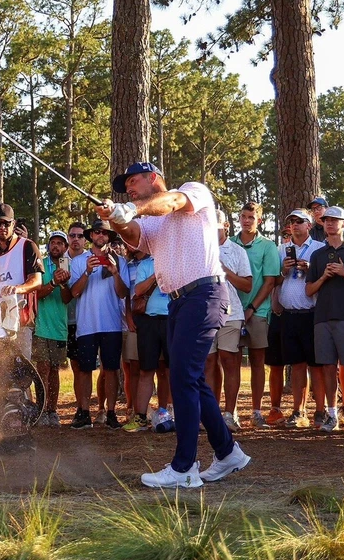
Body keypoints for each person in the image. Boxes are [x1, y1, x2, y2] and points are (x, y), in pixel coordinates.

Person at [102, 162, 250, 488]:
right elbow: (134, 236)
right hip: (178, 302)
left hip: (203, 294)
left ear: (153, 178)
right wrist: (116, 217)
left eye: (133, 181)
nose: (128, 187)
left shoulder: (191, 191)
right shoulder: (153, 223)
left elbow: (171, 202)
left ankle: (184, 467)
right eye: (125, 185)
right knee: (191, 379)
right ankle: (228, 453)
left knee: (183, 377)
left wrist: (130, 208)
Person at [305, 206, 344, 433]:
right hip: (322, 317)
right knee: (327, 367)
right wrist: (323, 276)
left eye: (334, 220)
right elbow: (308, 291)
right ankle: (331, 415)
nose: (329, 224)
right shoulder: (317, 255)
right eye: (326, 220)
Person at [68, 219, 128, 429]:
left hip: (111, 324)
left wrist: (114, 272)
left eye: (104, 233)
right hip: (87, 324)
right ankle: (84, 412)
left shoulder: (119, 261)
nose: (100, 236)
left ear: (109, 237)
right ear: (90, 236)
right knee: (84, 370)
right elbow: (74, 292)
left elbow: (123, 293)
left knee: (111, 369)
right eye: (96, 232)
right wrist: (87, 271)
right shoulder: (78, 261)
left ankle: (111, 413)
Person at [274, 209, 326, 428]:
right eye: (291, 222)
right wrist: (283, 271)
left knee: (317, 366)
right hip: (289, 315)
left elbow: (327, 278)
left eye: (299, 221)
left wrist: (311, 269)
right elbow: (274, 281)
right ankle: (298, 411)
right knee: (296, 365)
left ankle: (321, 411)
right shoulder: (281, 250)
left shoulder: (319, 249)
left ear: (309, 225)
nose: (295, 225)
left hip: (312, 314)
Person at [231, 202, 280, 428]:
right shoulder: (229, 243)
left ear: (259, 220)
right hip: (231, 311)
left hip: (258, 311)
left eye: (251, 217)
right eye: (243, 216)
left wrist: (252, 308)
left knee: (258, 362)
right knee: (231, 362)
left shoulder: (267, 246)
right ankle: (230, 412)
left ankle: (257, 411)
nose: (246, 220)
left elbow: (270, 281)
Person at [0, 203, 44, 364]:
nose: (3, 227)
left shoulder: (27, 246)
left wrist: (17, 289)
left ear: (13, 224)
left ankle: (23, 390)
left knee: (21, 376)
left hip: (21, 320)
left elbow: (37, 281)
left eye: (7, 223)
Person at [206, 210, 252, 431]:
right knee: (208, 363)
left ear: (225, 225)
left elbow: (247, 285)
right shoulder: (199, 249)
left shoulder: (237, 251)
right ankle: (211, 413)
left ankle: (229, 414)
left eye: (215, 225)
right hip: (205, 314)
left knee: (229, 361)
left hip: (231, 313)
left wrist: (225, 271)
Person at [122, 245, 175, 433]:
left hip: (171, 320)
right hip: (148, 321)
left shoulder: (176, 262)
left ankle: (169, 413)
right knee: (146, 370)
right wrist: (155, 275)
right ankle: (141, 417)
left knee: (170, 370)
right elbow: (137, 291)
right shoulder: (145, 265)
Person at [32, 231, 72, 427]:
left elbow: (67, 299)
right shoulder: (40, 265)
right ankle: (41, 409)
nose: (56, 246)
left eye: (60, 243)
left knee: (55, 369)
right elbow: (36, 294)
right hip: (41, 326)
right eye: (53, 242)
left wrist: (63, 284)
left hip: (59, 327)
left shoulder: (68, 266)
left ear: (65, 248)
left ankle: (52, 411)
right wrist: (54, 282)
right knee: (42, 368)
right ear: (48, 246)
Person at [65, 221, 89, 415]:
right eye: (72, 235)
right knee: (75, 366)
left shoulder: (92, 259)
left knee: (90, 367)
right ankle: (81, 409)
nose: (76, 239)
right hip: (66, 321)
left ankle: (98, 410)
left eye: (80, 236)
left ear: (85, 239)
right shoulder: (60, 260)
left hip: (88, 320)